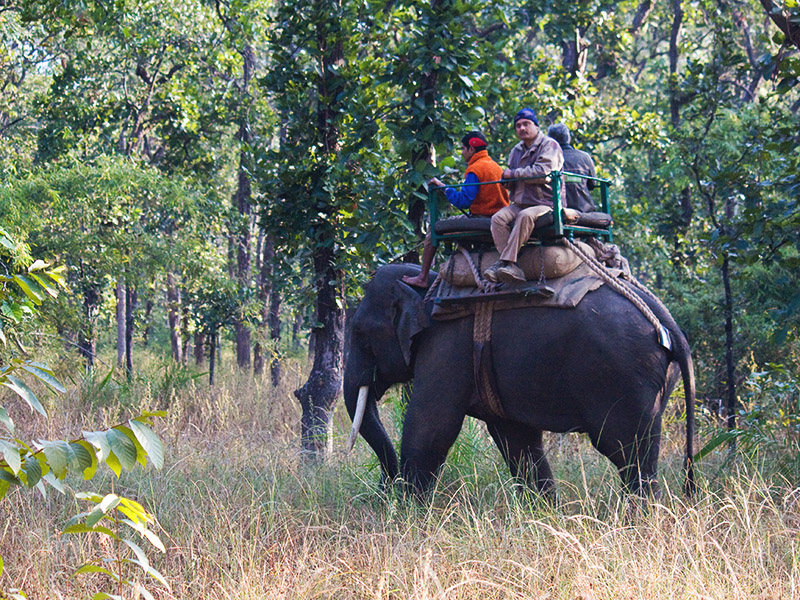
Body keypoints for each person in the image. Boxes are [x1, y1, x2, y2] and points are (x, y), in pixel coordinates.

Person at [402, 131, 509, 289]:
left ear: (471, 150)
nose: (462, 153)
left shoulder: (475, 169)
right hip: (499, 216)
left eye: (463, 149)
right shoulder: (495, 166)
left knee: (433, 231)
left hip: (482, 219)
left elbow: (464, 201)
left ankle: (422, 277)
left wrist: (444, 188)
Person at [483, 108, 568, 284]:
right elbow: (512, 177)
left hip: (546, 202)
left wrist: (512, 175)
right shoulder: (516, 150)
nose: (522, 128)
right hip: (520, 202)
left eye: (526, 124)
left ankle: (504, 262)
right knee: (498, 218)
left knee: (525, 216)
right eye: (518, 126)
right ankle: (513, 266)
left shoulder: (550, 145)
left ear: (536, 126)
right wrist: (506, 182)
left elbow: (543, 173)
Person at [547, 123, 597, 213]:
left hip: (557, 211)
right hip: (585, 210)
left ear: (550, 141)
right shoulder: (584, 157)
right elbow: (593, 184)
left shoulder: (547, 159)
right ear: (568, 138)